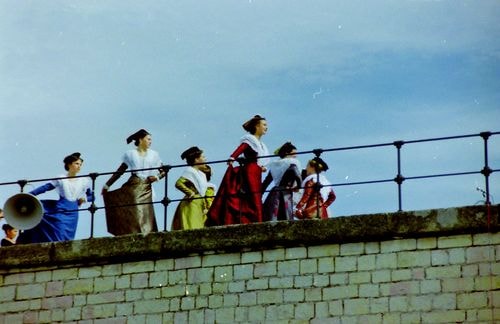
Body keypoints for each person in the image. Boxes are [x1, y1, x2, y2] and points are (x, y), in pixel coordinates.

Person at [207, 115, 269, 226]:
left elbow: (259, 159)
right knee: (253, 196)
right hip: (250, 171)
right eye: (264, 125)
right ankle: (257, 220)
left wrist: (262, 166)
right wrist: (232, 157)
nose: (266, 127)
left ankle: (256, 220)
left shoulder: (261, 144)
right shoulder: (250, 140)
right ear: (256, 126)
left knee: (255, 196)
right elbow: (242, 148)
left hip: (256, 172)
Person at [17, 152, 93, 243]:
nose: (79, 166)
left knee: (67, 236)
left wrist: (85, 199)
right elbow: (46, 187)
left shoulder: (84, 181)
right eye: (76, 163)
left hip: (73, 212)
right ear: (69, 164)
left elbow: (92, 196)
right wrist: (29, 195)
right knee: (57, 230)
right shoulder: (61, 178)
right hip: (61, 209)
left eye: (80, 164)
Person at [102, 129, 164, 235]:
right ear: (140, 140)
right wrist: (107, 185)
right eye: (148, 139)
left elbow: (163, 171)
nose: (150, 141)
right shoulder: (131, 154)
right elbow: (120, 171)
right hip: (134, 184)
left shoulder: (154, 154)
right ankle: (132, 233)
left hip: (146, 185)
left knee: (145, 212)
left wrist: (156, 177)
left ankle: (147, 234)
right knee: (134, 211)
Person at [171, 146, 210, 230]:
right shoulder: (190, 171)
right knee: (191, 226)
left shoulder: (201, 174)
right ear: (196, 160)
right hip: (191, 204)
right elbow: (179, 183)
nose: (205, 159)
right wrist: (190, 192)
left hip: (199, 204)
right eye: (203, 157)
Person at [262, 142, 302, 222]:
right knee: (286, 215)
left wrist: (260, 192)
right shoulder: (292, 162)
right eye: (294, 153)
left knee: (273, 214)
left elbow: (267, 181)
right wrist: (298, 186)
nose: (296, 156)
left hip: (275, 191)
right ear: (287, 153)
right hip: (286, 191)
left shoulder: (275, 164)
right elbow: (296, 174)